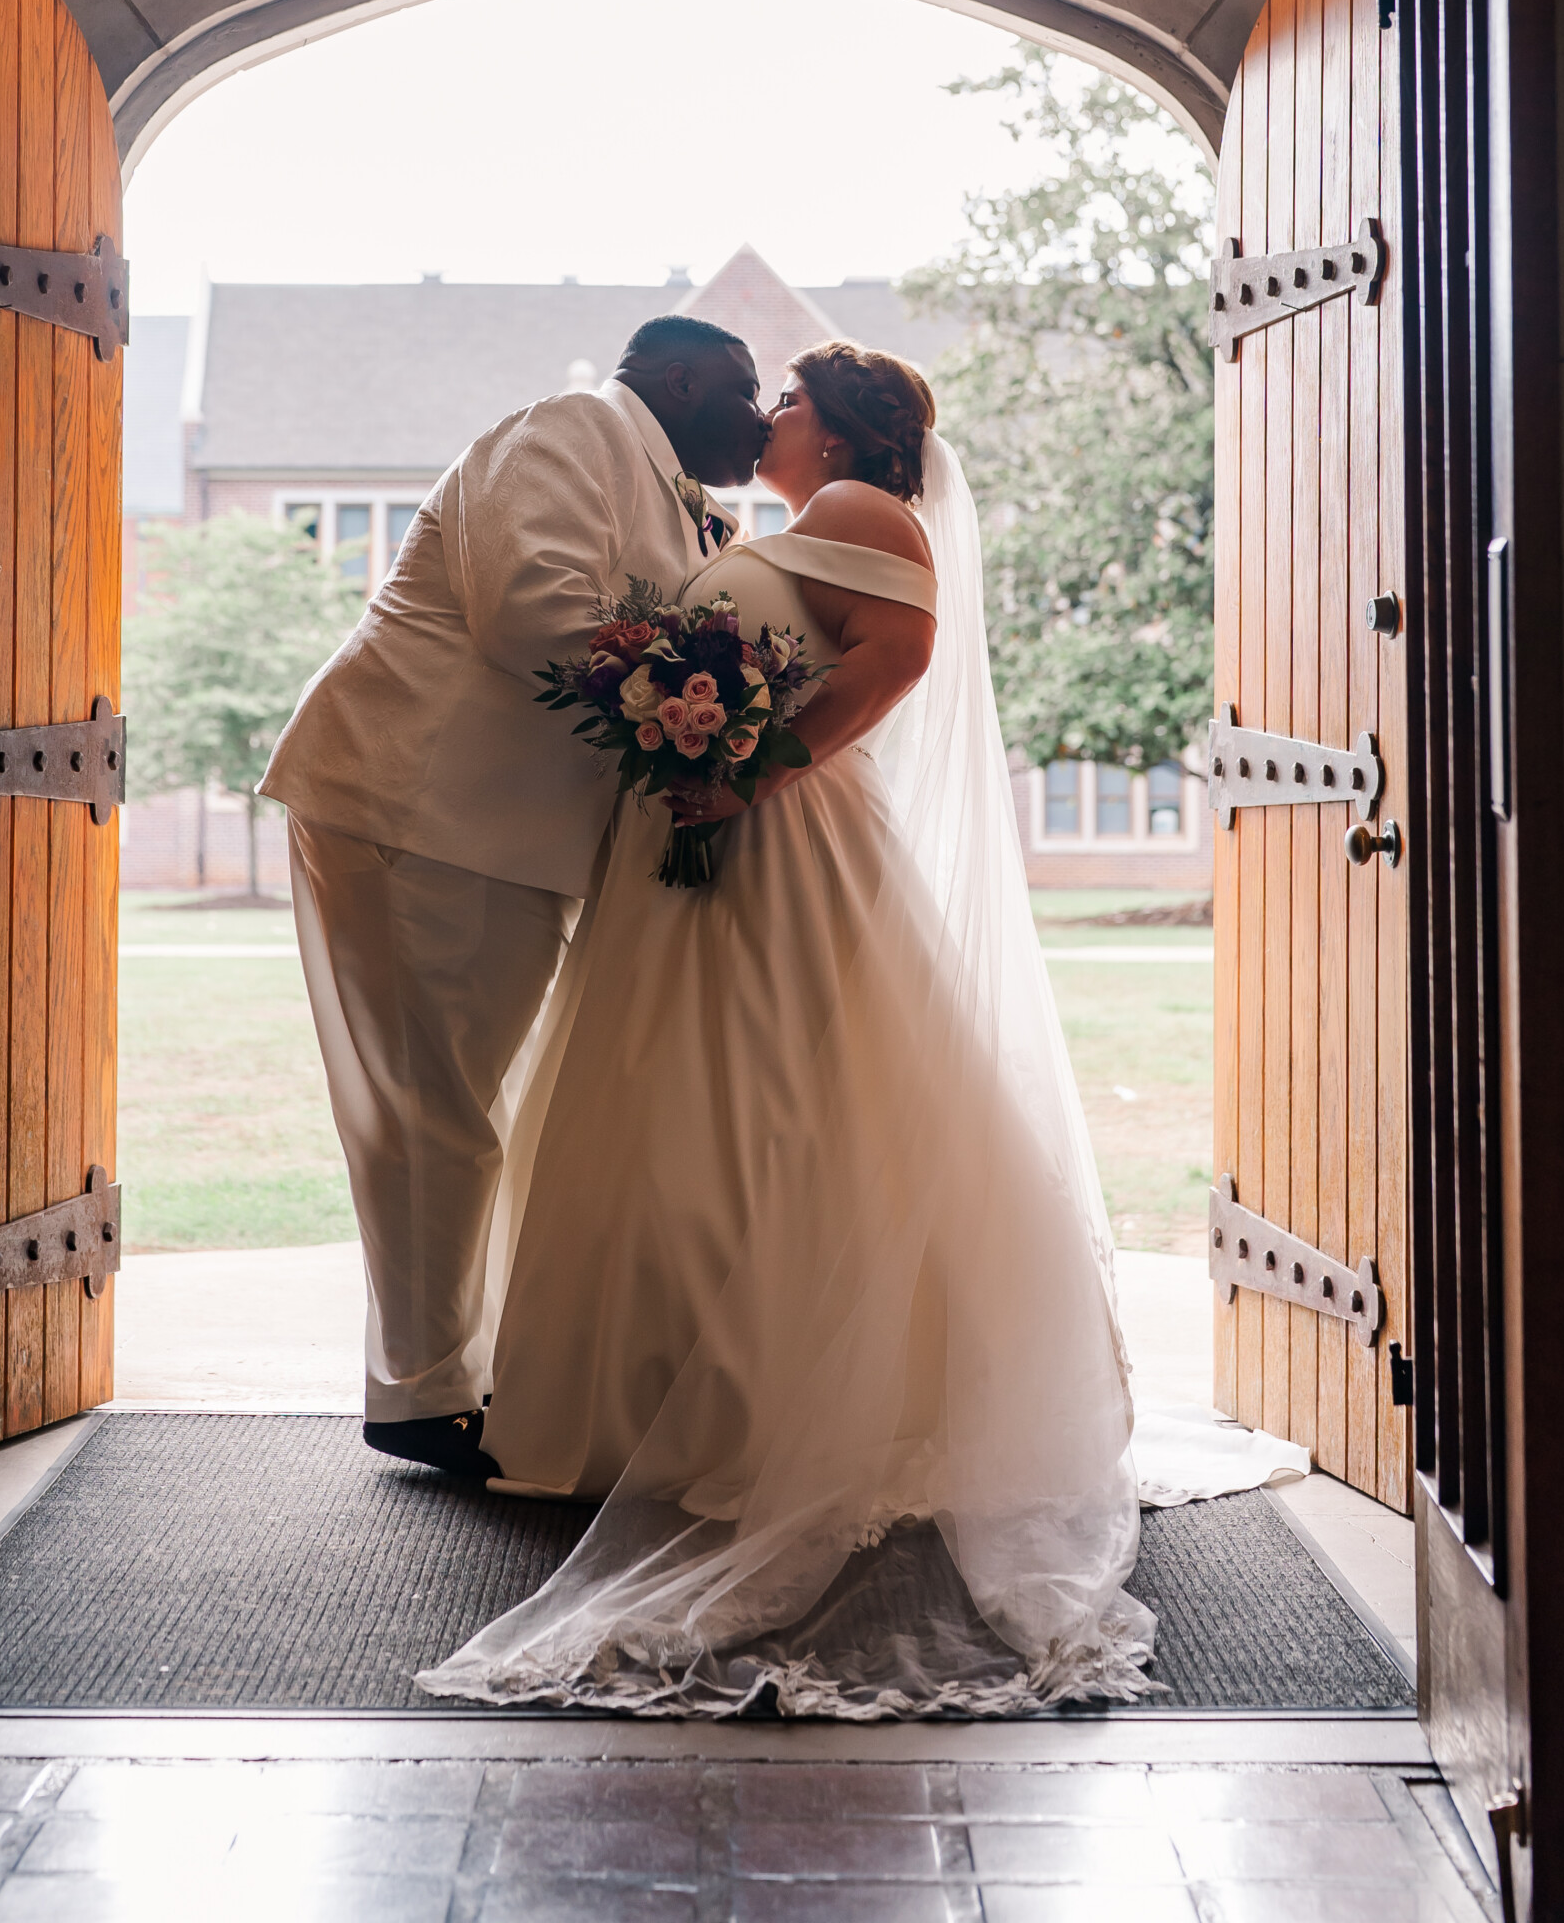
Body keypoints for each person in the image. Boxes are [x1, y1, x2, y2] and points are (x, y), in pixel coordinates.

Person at [418, 341, 1158, 1715]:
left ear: (845, 431)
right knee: (678, 1107)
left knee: (781, 1104)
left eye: (792, 403)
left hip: (785, 849)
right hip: (706, 843)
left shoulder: (863, 511)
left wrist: (752, 767)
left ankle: (781, 1412)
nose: (768, 417)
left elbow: (898, 653)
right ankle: (643, 1408)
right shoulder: (785, 522)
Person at [257, 315, 768, 1475]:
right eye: (745, 392)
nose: (760, 417)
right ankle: (424, 1399)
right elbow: (529, 609)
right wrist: (698, 700)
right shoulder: (570, 428)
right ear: (676, 378)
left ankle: (447, 1371)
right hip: (419, 805)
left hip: (500, 839)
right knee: (431, 1111)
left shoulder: (680, 490)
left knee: (453, 1106)